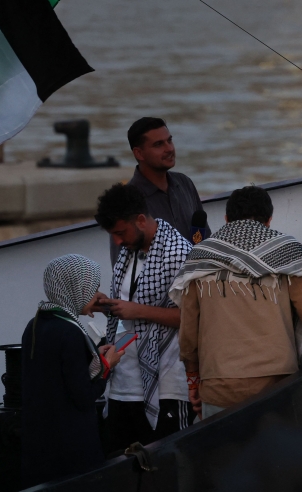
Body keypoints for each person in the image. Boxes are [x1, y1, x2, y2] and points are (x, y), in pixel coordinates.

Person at [172, 186, 302, 419]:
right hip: (276, 385)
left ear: (226, 219)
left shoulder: (199, 257)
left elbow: (188, 334)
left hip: (219, 386)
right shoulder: (286, 250)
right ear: (269, 220)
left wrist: (193, 383)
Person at [90, 183, 193, 453]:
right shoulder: (129, 252)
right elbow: (131, 304)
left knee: (165, 470)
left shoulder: (178, 253)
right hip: (123, 385)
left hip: (166, 386)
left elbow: (194, 317)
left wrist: (138, 311)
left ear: (141, 220)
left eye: (120, 233)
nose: (117, 242)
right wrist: (106, 305)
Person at [19, 255, 125, 488]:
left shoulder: (36, 324)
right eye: (91, 288)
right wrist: (107, 365)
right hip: (71, 447)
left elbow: (54, 375)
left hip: (42, 443)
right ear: (76, 287)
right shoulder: (70, 332)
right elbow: (84, 397)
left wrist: (93, 354)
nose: (95, 295)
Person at [111, 117, 207, 263]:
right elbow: (123, 269)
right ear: (139, 153)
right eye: (158, 144)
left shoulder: (185, 183)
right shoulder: (125, 203)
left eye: (169, 140)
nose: (169, 148)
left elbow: (205, 240)